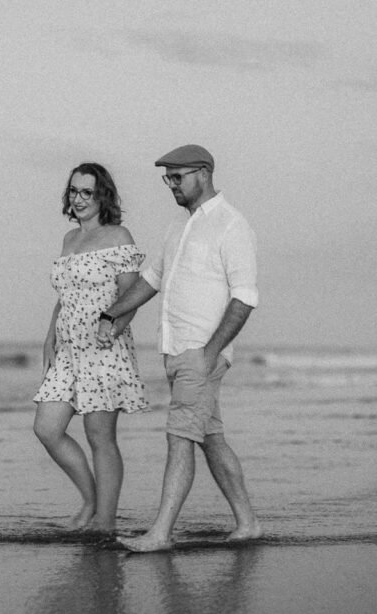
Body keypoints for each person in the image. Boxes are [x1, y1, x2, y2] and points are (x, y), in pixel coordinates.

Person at [95, 144, 262, 551]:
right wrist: (111, 314)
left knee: (179, 438)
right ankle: (248, 523)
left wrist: (210, 353)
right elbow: (151, 280)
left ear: (203, 173)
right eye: (166, 178)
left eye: (177, 177)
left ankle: (160, 533)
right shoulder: (177, 226)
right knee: (211, 439)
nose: (171, 184)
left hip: (199, 353)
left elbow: (244, 298)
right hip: (175, 352)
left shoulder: (232, 225)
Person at [33, 162, 149, 533]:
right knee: (47, 428)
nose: (79, 199)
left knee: (100, 438)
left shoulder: (118, 236)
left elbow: (132, 294)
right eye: (74, 191)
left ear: (102, 196)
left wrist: (113, 329)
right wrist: (49, 336)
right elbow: (65, 296)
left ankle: (106, 523)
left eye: (87, 192)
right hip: (68, 350)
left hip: (103, 348)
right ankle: (91, 501)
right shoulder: (69, 239)